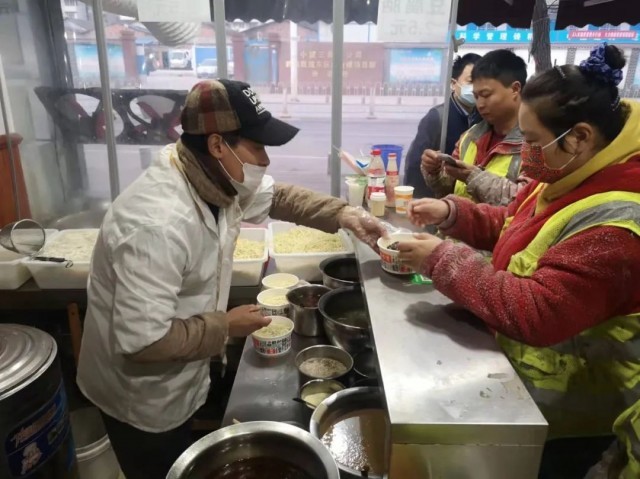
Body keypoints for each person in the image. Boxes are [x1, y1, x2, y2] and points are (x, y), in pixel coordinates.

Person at [76, 79, 386, 479]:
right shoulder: (157, 224)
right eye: (257, 147)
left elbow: (279, 198)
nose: (266, 160)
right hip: (140, 398)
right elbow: (142, 342)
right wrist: (225, 325)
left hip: (182, 372)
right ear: (218, 144)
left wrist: (343, 214)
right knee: (161, 468)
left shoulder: (209, 174)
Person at [397, 44, 640, 478]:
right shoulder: (569, 172)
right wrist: (453, 213)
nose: (524, 153)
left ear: (580, 136)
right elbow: (513, 223)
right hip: (526, 380)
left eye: (531, 141)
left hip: (573, 412)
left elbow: (540, 310)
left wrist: (443, 259)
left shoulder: (617, 222)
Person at [421, 49, 530, 206]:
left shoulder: (536, 143)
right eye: (476, 96)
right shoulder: (470, 136)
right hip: (458, 222)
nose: (480, 104)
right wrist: (434, 170)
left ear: (515, 89)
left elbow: (526, 202)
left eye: (486, 95)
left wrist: (474, 177)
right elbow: (448, 188)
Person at [404, 53, 482, 198]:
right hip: (438, 198)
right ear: (453, 83)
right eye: (470, 81)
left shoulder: (485, 117)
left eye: (480, 83)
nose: (475, 88)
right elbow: (415, 164)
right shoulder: (437, 117)